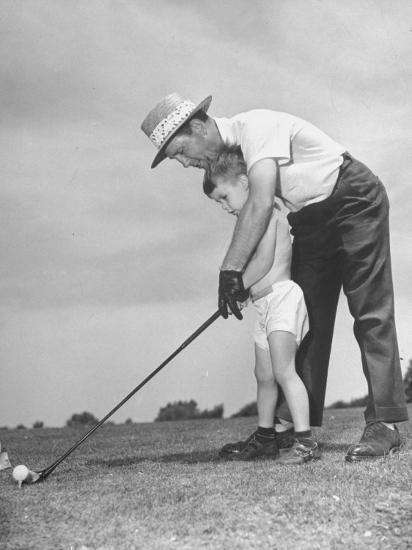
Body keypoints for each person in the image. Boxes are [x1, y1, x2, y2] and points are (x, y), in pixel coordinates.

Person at [141, 92, 408, 461]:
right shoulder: (233, 161)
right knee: (301, 320)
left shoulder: (255, 127)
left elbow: (261, 202)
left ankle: (385, 424)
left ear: (199, 127)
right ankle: (281, 428)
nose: (186, 163)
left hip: (353, 198)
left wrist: (230, 271)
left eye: (181, 151)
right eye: (178, 159)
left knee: (370, 312)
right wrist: (238, 278)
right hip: (309, 220)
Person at [203, 144, 319, 464]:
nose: (224, 207)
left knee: (283, 371)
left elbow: (264, 262)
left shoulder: (267, 210)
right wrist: (242, 292)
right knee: (264, 375)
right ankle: (266, 436)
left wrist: (236, 287)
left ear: (244, 183)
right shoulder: (250, 221)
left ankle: (305, 441)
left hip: (282, 297)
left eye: (224, 197)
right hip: (264, 304)